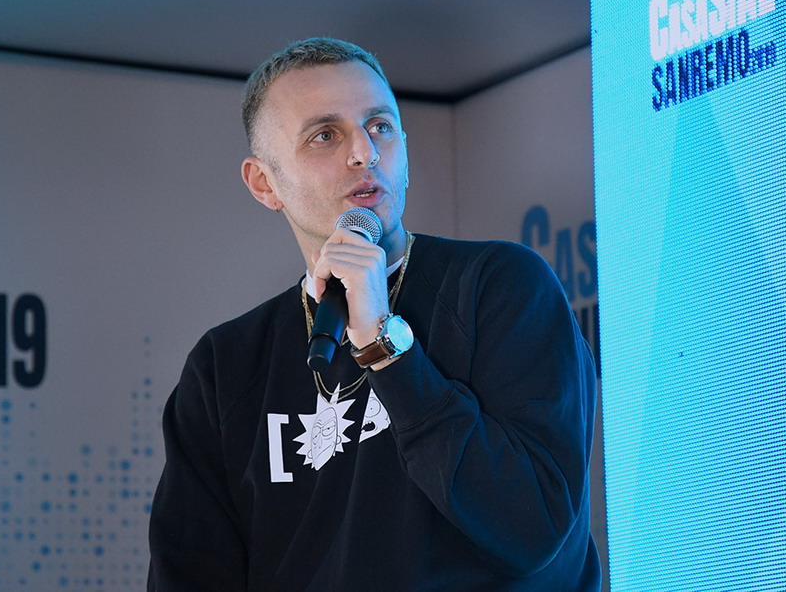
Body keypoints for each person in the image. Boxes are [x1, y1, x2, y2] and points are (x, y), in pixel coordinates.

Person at [147, 37, 600, 590]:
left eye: (380, 126)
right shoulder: (225, 365)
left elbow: (534, 527)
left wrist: (386, 349)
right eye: (325, 135)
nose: (364, 152)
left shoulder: (500, 285)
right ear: (265, 183)